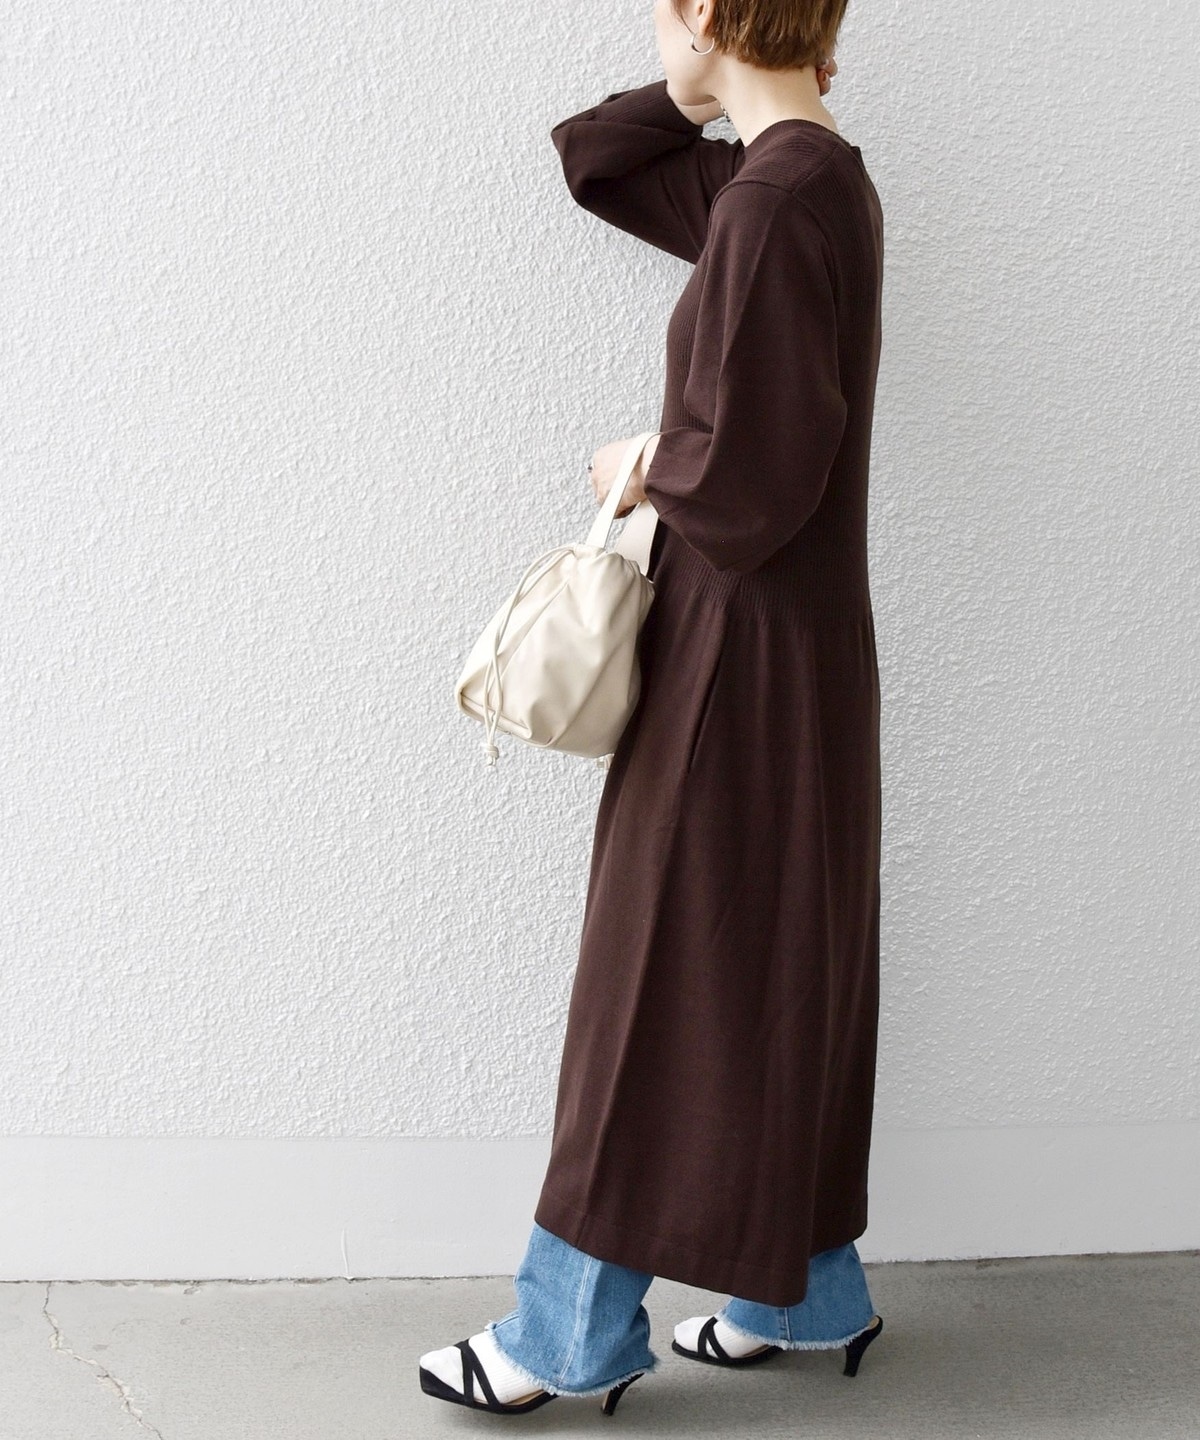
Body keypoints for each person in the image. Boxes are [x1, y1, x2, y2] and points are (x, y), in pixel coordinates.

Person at [420, 0, 886, 1416]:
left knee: (652, 990)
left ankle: (564, 1335)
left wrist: (644, 460)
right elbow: (594, 158)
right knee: (775, 973)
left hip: (736, 656)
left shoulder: (770, 208)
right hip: (799, 655)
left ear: (710, 9)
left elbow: (752, 482)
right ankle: (805, 1295)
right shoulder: (807, 181)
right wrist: (697, 85)